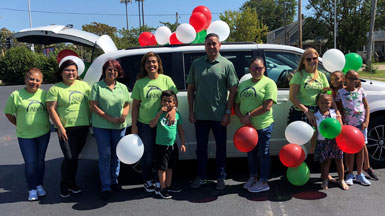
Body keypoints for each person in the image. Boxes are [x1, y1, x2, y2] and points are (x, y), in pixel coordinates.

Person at [187, 33, 238, 190]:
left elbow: (233, 89)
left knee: (221, 147)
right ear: (204, 46)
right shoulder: (196, 64)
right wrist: (191, 111)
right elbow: (190, 89)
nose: (211, 47)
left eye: (214, 43)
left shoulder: (227, 64)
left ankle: (220, 176)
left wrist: (228, 112)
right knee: (201, 148)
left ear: (219, 45)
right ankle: (201, 176)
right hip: (200, 115)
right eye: (208, 44)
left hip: (220, 115)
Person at [131, 52, 179, 193]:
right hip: (145, 123)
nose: (151, 64)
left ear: (158, 64)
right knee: (148, 154)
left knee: (162, 154)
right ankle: (148, 179)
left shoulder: (166, 80)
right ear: (144, 66)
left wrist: (173, 110)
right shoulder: (140, 83)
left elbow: (175, 99)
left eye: (154, 62)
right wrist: (134, 125)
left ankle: (160, 181)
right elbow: (135, 105)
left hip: (163, 124)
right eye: (148, 62)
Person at [4, 68, 51, 201]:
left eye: (37, 80)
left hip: (43, 133)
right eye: (31, 79)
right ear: (26, 80)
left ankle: (39, 185)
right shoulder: (16, 95)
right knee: (30, 163)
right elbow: (8, 114)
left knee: (40, 162)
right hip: (25, 136)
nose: (34, 82)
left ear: (41, 82)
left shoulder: (44, 95)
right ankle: (31, 188)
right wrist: (19, 124)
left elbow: (50, 111)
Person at [46, 59, 91, 198]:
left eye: (73, 70)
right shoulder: (55, 88)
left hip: (82, 126)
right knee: (69, 157)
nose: (71, 73)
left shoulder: (84, 86)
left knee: (75, 158)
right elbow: (51, 109)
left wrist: (88, 120)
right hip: (65, 129)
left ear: (77, 72)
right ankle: (64, 185)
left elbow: (90, 104)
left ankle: (72, 184)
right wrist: (60, 127)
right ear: (61, 72)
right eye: (67, 70)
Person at [234, 57, 277, 193]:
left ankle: (264, 181)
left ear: (264, 69)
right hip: (247, 127)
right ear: (249, 69)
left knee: (263, 153)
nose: (256, 70)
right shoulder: (243, 84)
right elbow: (236, 104)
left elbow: (267, 105)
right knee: (251, 154)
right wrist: (242, 117)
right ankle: (253, 177)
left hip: (263, 125)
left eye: (259, 68)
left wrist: (249, 115)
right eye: (253, 67)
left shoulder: (269, 83)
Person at [89, 59, 130, 200]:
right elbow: (93, 105)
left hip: (119, 126)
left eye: (115, 70)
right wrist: (109, 118)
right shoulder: (97, 86)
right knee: (105, 155)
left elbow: (126, 104)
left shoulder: (122, 87)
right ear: (104, 71)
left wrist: (124, 115)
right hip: (102, 126)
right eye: (109, 69)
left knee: (116, 155)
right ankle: (105, 186)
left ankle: (114, 181)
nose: (112, 72)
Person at [335, 70, 371, 186]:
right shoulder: (340, 92)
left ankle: (359, 174)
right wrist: (342, 123)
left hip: (360, 125)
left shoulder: (361, 90)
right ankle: (350, 173)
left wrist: (366, 121)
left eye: (356, 79)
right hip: (349, 127)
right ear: (345, 79)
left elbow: (366, 106)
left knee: (360, 149)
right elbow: (339, 109)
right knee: (350, 151)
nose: (353, 81)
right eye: (351, 78)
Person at [149, 90, 186, 199]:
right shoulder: (159, 114)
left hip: (172, 145)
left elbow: (180, 130)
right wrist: (160, 112)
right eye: (164, 101)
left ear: (174, 103)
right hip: (161, 146)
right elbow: (152, 124)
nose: (167, 103)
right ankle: (163, 188)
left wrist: (183, 143)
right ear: (161, 102)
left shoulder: (177, 115)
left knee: (170, 167)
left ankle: (169, 186)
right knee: (162, 168)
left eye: (170, 101)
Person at [311, 91, 349, 190]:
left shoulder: (335, 114)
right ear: (317, 103)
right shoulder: (315, 116)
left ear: (331, 103)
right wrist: (312, 145)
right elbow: (314, 132)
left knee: (339, 160)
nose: (324, 105)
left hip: (336, 142)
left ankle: (341, 180)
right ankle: (325, 180)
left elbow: (340, 128)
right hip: (323, 142)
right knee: (326, 162)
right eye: (322, 102)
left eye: (327, 102)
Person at [288, 48, 330, 126]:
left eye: (314, 58)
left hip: (318, 111)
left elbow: (328, 94)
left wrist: (328, 91)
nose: (312, 61)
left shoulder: (322, 75)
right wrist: (307, 111)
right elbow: (292, 97)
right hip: (302, 112)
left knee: (316, 137)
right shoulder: (299, 75)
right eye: (308, 59)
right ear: (303, 61)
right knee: (301, 137)